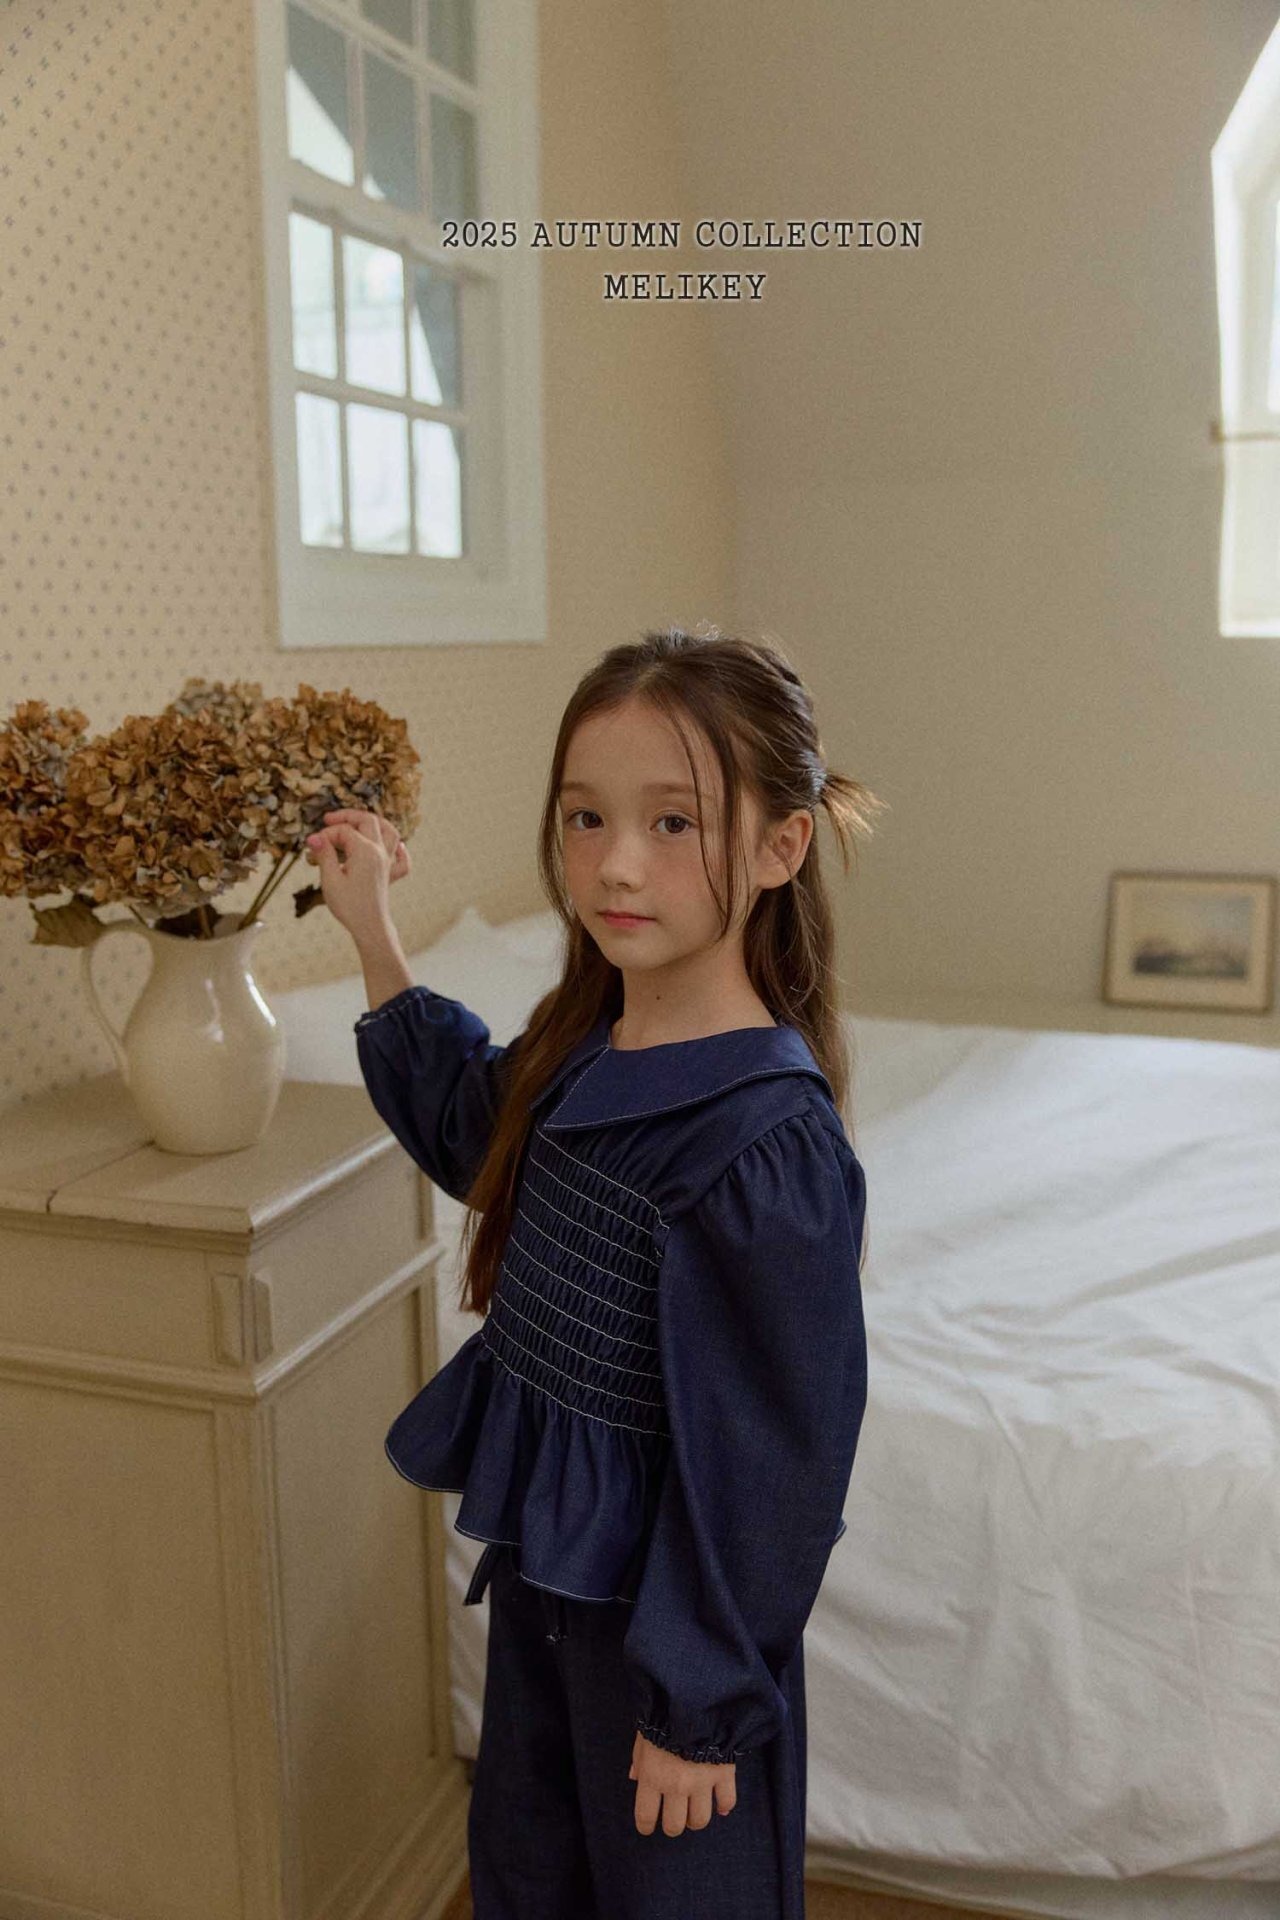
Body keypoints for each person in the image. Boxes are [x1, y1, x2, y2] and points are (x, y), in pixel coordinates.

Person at [304, 625, 885, 1920]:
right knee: (530, 1873)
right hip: (548, 1593)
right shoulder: (584, 1047)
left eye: (675, 823)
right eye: (586, 818)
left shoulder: (762, 1147)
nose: (617, 863)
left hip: (665, 1643)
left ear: (781, 846)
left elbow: (773, 1465)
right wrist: (374, 929)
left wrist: (695, 1708)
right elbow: (476, 1128)